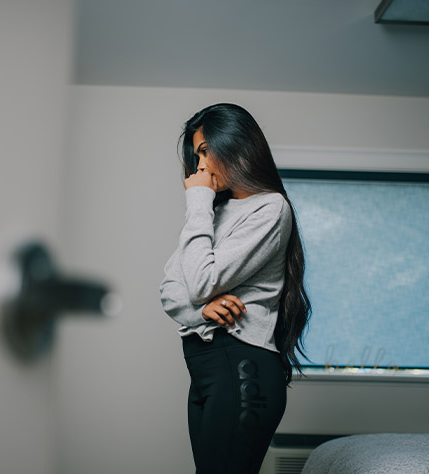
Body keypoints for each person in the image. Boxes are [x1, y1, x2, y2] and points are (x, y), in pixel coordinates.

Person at [159, 103, 312, 474]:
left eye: (205, 151)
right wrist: (201, 310)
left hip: (242, 366)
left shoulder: (270, 208)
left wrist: (196, 200)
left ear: (235, 143)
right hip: (207, 367)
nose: (200, 167)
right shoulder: (212, 213)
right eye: (196, 155)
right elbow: (170, 289)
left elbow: (201, 281)